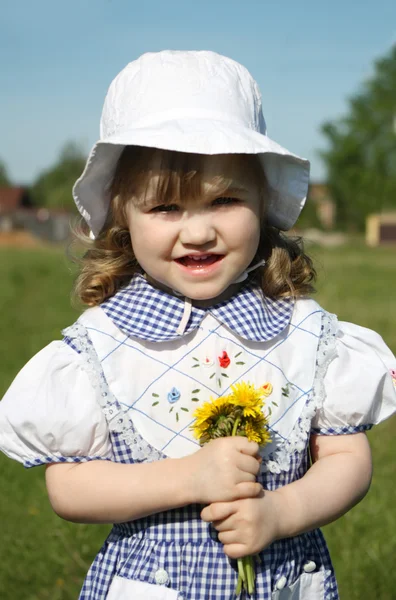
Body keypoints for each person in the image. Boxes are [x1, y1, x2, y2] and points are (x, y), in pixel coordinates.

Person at [1, 50, 396, 600]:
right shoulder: (104, 347)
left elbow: (349, 459)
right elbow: (68, 488)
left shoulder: (305, 335)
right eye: (166, 208)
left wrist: (281, 512)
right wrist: (188, 478)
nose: (199, 232)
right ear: (122, 215)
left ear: (264, 204)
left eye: (226, 200)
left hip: (282, 580)